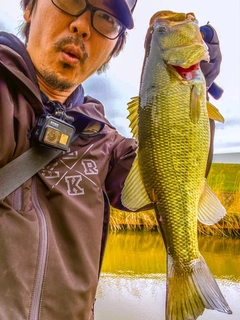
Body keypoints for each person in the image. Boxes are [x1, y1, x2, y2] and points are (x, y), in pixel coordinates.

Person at [0, 0, 222, 319]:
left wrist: (198, 101)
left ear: (114, 47)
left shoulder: (105, 142)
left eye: (106, 18)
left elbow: (176, 180)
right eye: (71, 1)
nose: (82, 26)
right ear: (29, 7)